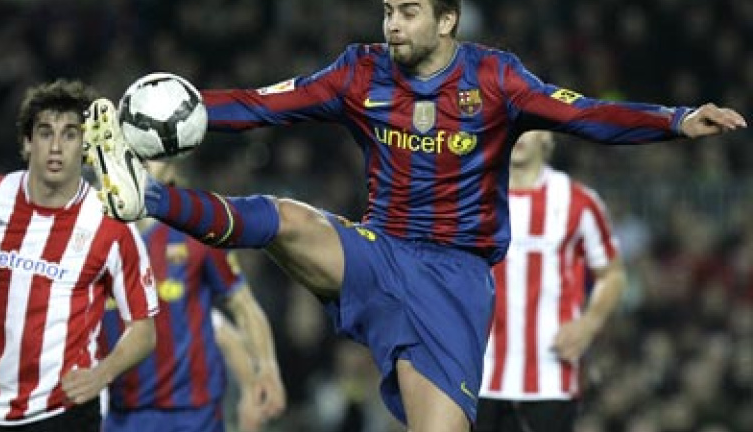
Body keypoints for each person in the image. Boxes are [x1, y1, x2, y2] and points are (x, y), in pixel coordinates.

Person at [83, 1, 747, 430]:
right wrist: (180, 112)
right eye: (387, 11)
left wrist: (676, 119)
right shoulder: (358, 73)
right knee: (283, 217)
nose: (392, 25)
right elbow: (263, 105)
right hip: (380, 251)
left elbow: (585, 114)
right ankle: (149, 199)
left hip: (455, 281)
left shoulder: (497, 79)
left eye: (407, 12)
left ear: (447, 20)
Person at [0, 80, 158, 431]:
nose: (55, 147)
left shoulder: (110, 223)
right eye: (45, 133)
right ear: (27, 143)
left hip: (62, 412)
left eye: (69, 134)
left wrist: (102, 373)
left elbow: (144, 328)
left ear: (87, 145)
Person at [99, 160, 285, 432]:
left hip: (193, 416)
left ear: (172, 167)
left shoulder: (196, 229)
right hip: (123, 415)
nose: (140, 161)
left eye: (150, 154)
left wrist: (264, 369)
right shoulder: (90, 235)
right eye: (133, 151)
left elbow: (241, 307)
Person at [476, 131, 626, 432]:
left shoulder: (578, 202)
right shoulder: (470, 199)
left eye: (529, 124)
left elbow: (612, 273)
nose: (518, 132)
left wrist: (589, 324)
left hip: (551, 373)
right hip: (477, 371)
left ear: (547, 135)